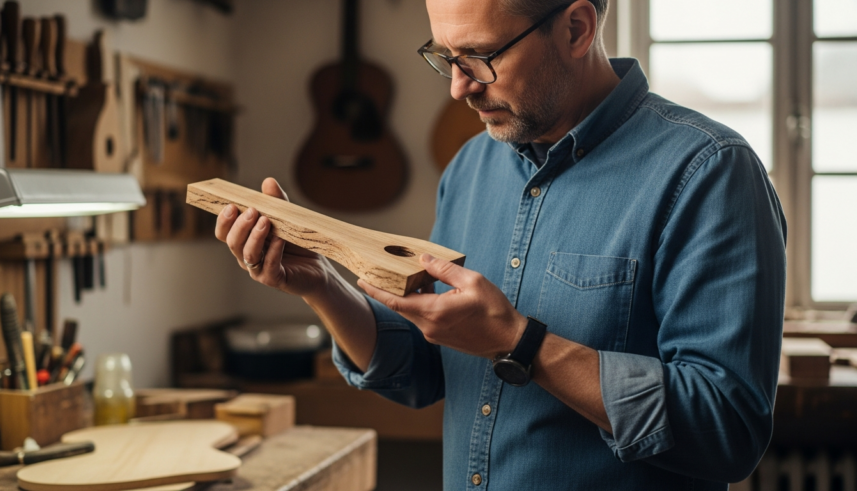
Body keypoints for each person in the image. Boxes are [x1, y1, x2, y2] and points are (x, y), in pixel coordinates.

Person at [216, 0, 787, 488]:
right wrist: (319, 284)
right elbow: (426, 371)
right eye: (444, 57)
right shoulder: (469, 167)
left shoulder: (709, 172)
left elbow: (727, 429)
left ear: (576, 29)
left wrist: (520, 343)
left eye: (480, 58)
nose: (459, 87)